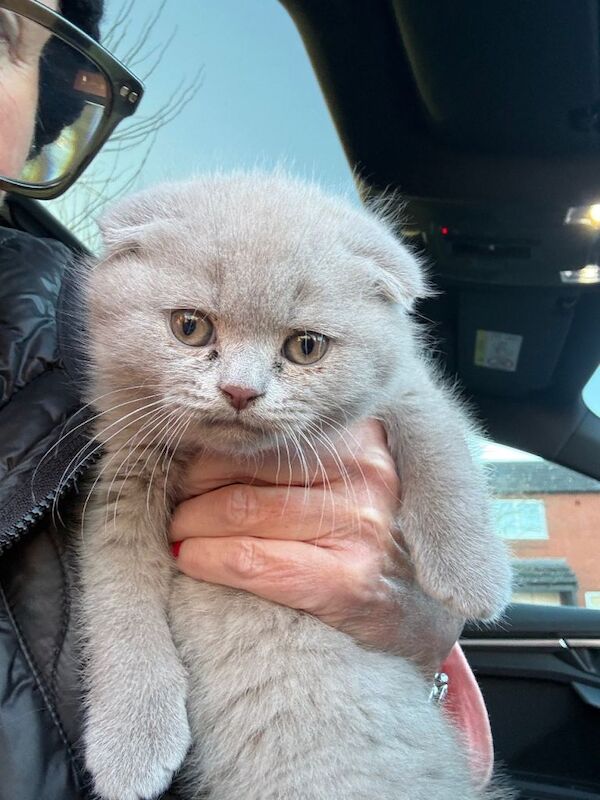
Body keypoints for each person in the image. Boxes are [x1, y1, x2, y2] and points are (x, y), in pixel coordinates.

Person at [0, 1, 493, 798]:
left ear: (42, 104)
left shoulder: (59, 335)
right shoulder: (113, 354)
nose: (241, 384)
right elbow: (122, 536)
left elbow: (419, 411)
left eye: (301, 347)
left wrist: (426, 634)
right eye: (193, 327)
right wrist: (138, 691)